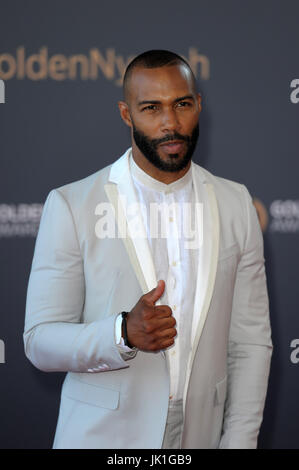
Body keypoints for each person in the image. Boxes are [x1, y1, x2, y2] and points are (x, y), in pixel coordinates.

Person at [24, 49, 273, 449]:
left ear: (199, 106)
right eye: (151, 108)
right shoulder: (72, 204)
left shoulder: (235, 203)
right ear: (127, 114)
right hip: (104, 440)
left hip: (201, 436)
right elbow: (39, 340)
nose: (170, 123)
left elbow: (250, 343)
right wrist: (121, 332)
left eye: (182, 105)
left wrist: (240, 441)